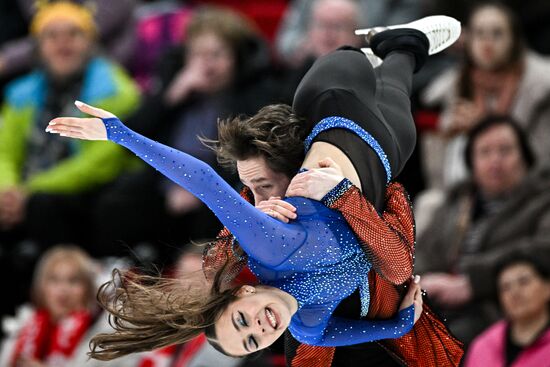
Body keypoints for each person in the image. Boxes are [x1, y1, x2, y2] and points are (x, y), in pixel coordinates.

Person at [45, 16, 463, 362]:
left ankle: (368, 48)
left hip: (334, 106)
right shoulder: (310, 327)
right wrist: (401, 324)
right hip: (386, 151)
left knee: (350, 61)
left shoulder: (269, 246)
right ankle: (397, 46)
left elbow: (205, 181)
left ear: (244, 292)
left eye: (241, 321)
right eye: (251, 342)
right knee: (401, 73)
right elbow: (366, 326)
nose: (258, 330)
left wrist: (121, 133)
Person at [91, 6, 277, 260]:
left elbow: (246, 157)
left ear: (236, 58)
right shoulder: (176, 85)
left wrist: (199, 185)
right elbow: (129, 135)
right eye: (198, 54)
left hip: (219, 182)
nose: (206, 65)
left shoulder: (254, 95)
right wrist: (171, 96)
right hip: (165, 180)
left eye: (216, 54)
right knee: (117, 203)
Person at [0, 0, 140, 316]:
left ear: (90, 43)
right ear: (38, 47)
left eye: (73, 34)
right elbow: (4, 151)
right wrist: (7, 191)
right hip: (27, 194)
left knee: (44, 205)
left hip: (90, 195)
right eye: (52, 36)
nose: (63, 43)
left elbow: (102, 161)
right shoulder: (20, 93)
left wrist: (30, 190)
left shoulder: (116, 88)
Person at [416, 115, 550, 345]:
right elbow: (423, 253)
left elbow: (543, 249)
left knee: (444, 341)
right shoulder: (456, 201)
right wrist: (419, 282)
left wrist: (473, 282)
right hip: (436, 303)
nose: (495, 161)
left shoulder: (542, 200)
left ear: (525, 157)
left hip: (497, 307)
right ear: (471, 163)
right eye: (485, 152)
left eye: (505, 151)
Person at [421, 2, 550, 188]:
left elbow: (542, 160)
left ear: (513, 39)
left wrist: (486, 131)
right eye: (479, 33)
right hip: (469, 193)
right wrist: (450, 131)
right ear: (467, 39)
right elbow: (438, 178)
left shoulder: (542, 88)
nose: (487, 42)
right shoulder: (449, 90)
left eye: (497, 33)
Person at [0, 246, 142, 366]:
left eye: (73, 281)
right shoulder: (21, 327)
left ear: (88, 288)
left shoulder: (106, 334)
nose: (63, 289)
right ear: (41, 287)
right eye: (54, 280)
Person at [464, 253, 550, 367]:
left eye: (524, 282)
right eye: (505, 287)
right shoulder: (483, 345)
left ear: (547, 287)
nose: (514, 292)